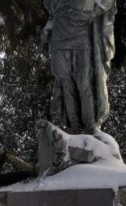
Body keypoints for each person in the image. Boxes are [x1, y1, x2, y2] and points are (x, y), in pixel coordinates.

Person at [41, 0, 116, 133]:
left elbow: (106, 3)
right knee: (66, 85)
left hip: (82, 38)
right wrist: (47, 29)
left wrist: (90, 12)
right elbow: (53, 15)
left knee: (84, 83)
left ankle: (90, 125)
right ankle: (73, 126)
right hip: (59, 42)